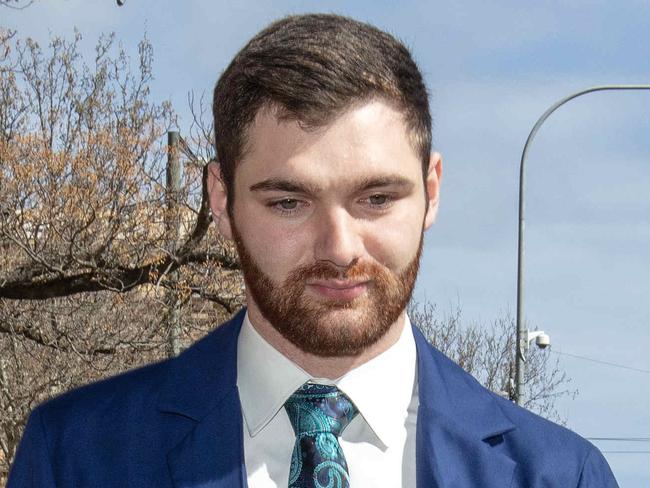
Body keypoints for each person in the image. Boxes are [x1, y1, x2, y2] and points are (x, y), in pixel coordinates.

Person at [8, 13, 618, 488]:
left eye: (377, 198)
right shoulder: (75, 456)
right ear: (221, 201)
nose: (340, 247)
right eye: (288, 203)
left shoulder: (559, 475)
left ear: (431, 192)